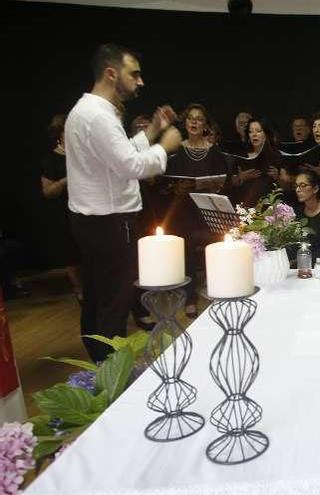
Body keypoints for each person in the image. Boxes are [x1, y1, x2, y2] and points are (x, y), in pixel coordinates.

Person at [65, 43, 181, 362]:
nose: (140, 82)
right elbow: (131, 166)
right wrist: (165, 147)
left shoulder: (87, 111)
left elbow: (120, 154)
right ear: (111, 73)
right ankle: (111, 371)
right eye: (135, 74)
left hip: (94, 220)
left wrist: (154, 130)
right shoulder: (98, 116)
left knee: (98, 297)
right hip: (111, 222)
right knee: (115, 300)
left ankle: (101, 364)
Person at [161, 103, 229, 317]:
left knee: (215, 248)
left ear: (205, 124)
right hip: (183, 209)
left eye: (199, 119)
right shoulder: (176, 150)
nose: (194, 122)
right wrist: (176, 188)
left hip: (207, 207)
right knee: (187, 253)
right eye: (190, 118)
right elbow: (166, 183)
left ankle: (216, 290)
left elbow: (223, 180)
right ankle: (189, 297)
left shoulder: (214, 151)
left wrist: (213, 185)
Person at [40, 114, 82, 303]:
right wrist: (66, 180)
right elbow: (48, 191)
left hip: (86, 209)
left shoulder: (83, 154)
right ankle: (80, 290)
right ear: (59, 133)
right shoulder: (50, 159)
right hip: (63, 213)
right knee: (71, 254)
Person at [227, 117, 280, 207]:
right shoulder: (241, 156)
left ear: (266, 134)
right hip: (241, 204)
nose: (254, 135)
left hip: (267, 206)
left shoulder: (276, 156)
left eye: (258, 131)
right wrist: (241, 178)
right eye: (251, 132)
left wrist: (278, 176)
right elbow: (229, 184)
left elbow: (284, 186)